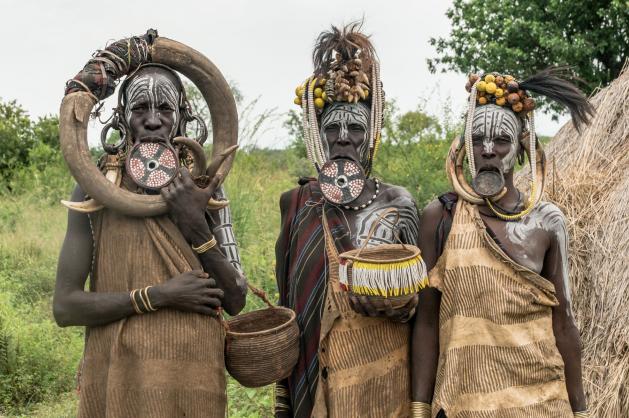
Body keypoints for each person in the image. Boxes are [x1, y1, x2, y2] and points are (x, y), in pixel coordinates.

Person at [53, 32, 246, 417]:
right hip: (116, 378)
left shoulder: (206, 188)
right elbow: (66, 306)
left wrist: (195, 223)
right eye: (140, 108)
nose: (154, 120)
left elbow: (235, 299)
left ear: (183, 118)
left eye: (166, 110)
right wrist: (157, 296)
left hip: (193, 383)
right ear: (122, 118)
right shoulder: (96, 189)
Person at [411, 69, 594, 418]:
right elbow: (427, 322)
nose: (489, 150)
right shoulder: (441, 217)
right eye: (477, 139)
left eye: (502, 141)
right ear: (464, 147)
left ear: (523, 146)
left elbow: (564, 323)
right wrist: (418, 409)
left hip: (540, 403)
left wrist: (581, 411)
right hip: (463, 403)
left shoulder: (546, 221)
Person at [274, 22, 426, 418]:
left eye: (355, 128)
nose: (344, 138)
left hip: (384, 379)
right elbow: (287, 305)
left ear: (372, 134)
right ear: (317, 136)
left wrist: (398, 305)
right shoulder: (296, 204)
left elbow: (422, 304)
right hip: (315, 380)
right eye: (333, 129)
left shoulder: (399, 203)